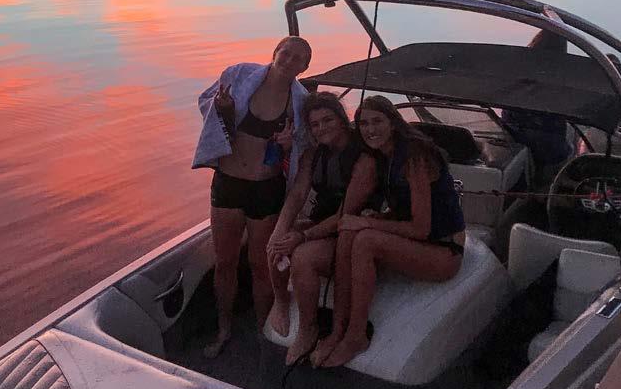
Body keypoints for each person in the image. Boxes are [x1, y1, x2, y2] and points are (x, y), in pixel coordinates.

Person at [312, 95, 466, 368]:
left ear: (393, 122)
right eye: (363, 124)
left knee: (365, 239)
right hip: (419, 244)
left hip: (443, 251)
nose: (370, 129)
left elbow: (421, 228)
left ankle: (356, 336)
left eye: (377, 121)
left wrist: (369, 223)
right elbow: (403, 209)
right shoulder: (385, 157)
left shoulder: (415, 156)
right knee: (348, 232)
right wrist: (377, 218)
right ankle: (338, 329)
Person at [193, 35, 312, 358]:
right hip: (228, 183)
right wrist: (224, 109)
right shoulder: (240, 75)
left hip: (265, 190)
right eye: (286, 53)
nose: (289, 60)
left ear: (304, 67)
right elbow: (207, 104)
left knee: (261, 265)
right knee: (225, 263)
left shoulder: (301, 103)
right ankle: (224, 329)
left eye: (298, 58)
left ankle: (263, 331)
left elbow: (302, 150)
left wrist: (288, 145)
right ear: (275, 53)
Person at [264, 92, 380, 365]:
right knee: (276, 242)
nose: (321, 128)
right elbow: (298, 194)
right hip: (321, 224)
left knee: (303, 257)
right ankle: (281, 300)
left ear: (341, 119)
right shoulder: (313, 155)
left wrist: (302, 236)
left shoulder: (364, 160)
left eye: (328, 120)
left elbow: (344, 214)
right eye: (314, 124)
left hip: (352, 231)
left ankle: (308, 328)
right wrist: (280, 231)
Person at [501, 30, 573, 189]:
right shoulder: (559, 76)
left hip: (513, 137)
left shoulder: (519, 68)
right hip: (545, 145)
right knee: (567, 148)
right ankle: (550, 191)